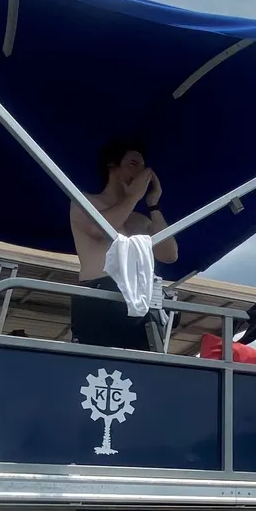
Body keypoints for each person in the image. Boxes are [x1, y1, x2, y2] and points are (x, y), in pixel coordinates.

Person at [68, 138, 178, 351]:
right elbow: (98, 230)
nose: (140, 173)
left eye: (144, 167)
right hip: (98, 295)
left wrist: (153, 205)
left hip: (138, 300)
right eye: (133, 164)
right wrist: (134, 196)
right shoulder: (85, 202)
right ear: (112, 166)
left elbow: (169, 253)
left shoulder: (140, 220)